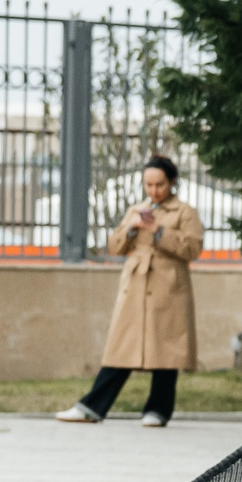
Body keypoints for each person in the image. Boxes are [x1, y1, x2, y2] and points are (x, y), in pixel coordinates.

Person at [56, 156, 205, 427]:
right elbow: (114, 247)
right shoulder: (137, 209)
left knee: (165, 351)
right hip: (135, 286)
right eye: (148, 184)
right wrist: (132, 227)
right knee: (121, 348)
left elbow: (192, 248)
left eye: (159, 184)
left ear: (171, 182)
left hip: (167, 287)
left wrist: (158, 230)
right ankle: (92, 407)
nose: (154, 190)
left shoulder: (185, 212)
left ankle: (158, 411)